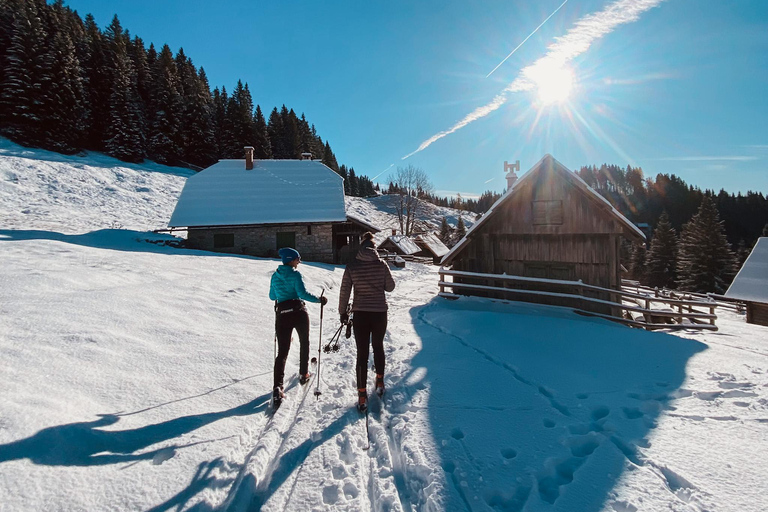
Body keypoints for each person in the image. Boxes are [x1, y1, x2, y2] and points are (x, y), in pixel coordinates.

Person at [338, 232, 396, 412]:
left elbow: (345, 291)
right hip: (379, 313)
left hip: (360, 314)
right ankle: (380, 380)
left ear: (361, 247)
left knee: (362, 352)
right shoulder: (381, 265)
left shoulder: (352, 266)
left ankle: (362, 394)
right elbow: (391, 287)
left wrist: (342, 313)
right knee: (378, 346)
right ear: (374, 247)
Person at [269, 247, 327, 408]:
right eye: (298, 259)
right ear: (291, 260)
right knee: (304, 342)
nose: (299, 261)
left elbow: (272, 296)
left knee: (282, 352)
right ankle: (304, 373)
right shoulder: (295, 274)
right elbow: (302, 293)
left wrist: (281, 292)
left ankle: (277, 386)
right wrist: (319, 300)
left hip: (282, 314)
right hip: (298, 312)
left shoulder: (275, 276)